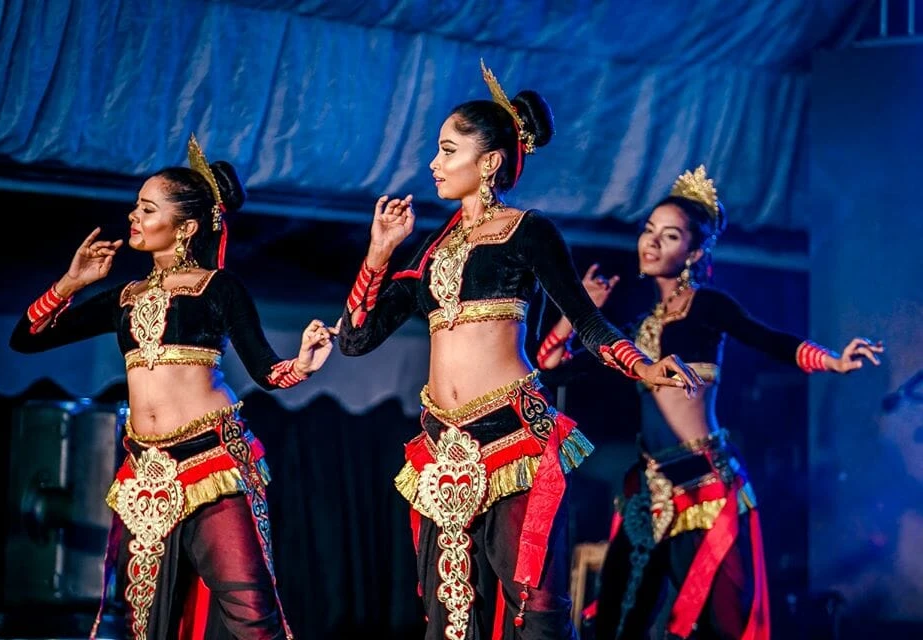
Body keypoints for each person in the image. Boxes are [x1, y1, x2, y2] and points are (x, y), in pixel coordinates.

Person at [337, 60, 704, 640]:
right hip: (443, 447)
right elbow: (354, 340)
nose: (433, 163)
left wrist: (642, 365)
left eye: (446, 149)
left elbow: (585, 321)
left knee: (534, 603)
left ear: (488, 163)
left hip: (513, 438)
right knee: (452, 612)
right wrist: (379, 256)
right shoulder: (429, 254)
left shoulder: (528, 232)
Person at [535, 165, 885, 640]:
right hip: (650, 487)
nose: (652, 242)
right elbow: (552, 365)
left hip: (706, 484)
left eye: (671, 235)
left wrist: (834, 361)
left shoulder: (708, 308)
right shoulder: (636, 326)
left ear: (695, 252)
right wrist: (580, 316)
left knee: (721, 621)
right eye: (649, 230)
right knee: (620, 618)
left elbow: (770, 339)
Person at [10, 135, 337, 640]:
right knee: (147, 621)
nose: (133, 218)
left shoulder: (218, 287)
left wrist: (305, 363)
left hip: (213, 460)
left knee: (251, 611)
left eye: (146, 208)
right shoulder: (125, 297)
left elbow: (269, 372)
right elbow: (25, 341)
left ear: (185, 227)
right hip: (146, 469)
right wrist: (72, 283)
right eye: (136, 208)